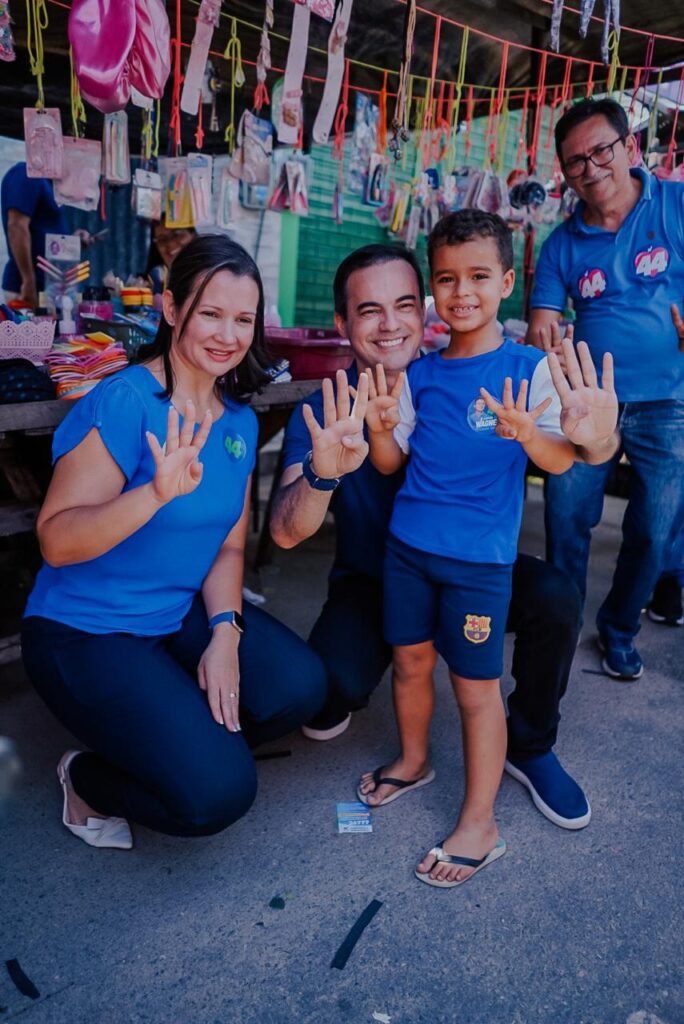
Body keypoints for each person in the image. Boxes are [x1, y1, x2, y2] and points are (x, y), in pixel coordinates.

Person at [270, 241, 618, 844]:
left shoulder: (455, 375)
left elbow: (576, 450)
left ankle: (530, 747)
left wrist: (602, 438)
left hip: (470, 566)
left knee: (556, 596)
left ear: (424, 308)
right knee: (326, 691)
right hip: (379, 578)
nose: (389, 324)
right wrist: (329, 468)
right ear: (342, 323)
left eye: (404, 304)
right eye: (368, 310)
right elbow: (284, 531)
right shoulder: (325, 408)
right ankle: (405, 749)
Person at [21, 235, 326, 850]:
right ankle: (84, 777)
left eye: (243, 319)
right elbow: (55, 541)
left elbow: (230, 549)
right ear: (169, 307)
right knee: (218, 794)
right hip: (84, 631)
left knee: (301, 688)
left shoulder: (238, 420)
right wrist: (154, 495)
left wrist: (225, 633)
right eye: (210, 313)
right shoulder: (126, 400)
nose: (228, 335)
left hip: (174, 615)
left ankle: (176, 728)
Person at [528, 97, 684, 681]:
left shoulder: (675, 205)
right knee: (565, 515)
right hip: (585, 402)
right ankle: (562, 623)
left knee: (654, 527)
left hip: (669, 399)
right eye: (575, 162)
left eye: (602, 151)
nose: (590, 168)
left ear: (630, 148)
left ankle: (620, 628)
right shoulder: (561, 244)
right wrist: (546, 328)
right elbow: (543, 314)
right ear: (564, 173)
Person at [1, 161, 68, 307]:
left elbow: (46, 230)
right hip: (26, 289)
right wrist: (28, 281)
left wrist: (74, 241)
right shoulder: (26, 173)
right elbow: (16, 226)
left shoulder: (49, 183)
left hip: (48, 289)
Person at [145, 222, 197, 293]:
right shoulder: (152, 285)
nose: (170, 244)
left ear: (193, 235)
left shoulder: (211, 274)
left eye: (176, 235)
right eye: (162, 239)